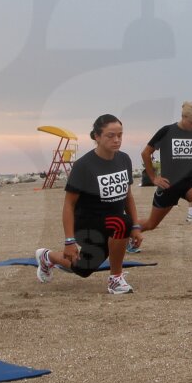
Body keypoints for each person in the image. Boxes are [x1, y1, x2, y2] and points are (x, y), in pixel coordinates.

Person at [35, 115, 142, 294]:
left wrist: (136, 226)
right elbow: (69, 204)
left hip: (112, 224)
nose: (117, 140)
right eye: (110, 135)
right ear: (97, 137)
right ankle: (115, 278)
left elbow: (127, 196)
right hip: (87, 225)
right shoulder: (83, 166)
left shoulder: (124, 160)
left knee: (83, 269)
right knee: (121, 223)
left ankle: (47, 257)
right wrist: (69, 241)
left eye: (120, 135)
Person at [138, 100, 192, 257]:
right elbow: (145, 153)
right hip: (169, 185)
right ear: (183, 116)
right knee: (151, 224)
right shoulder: (166, 131)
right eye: (191, 123)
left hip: (190, 183)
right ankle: (128, 234)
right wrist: (154, 178)